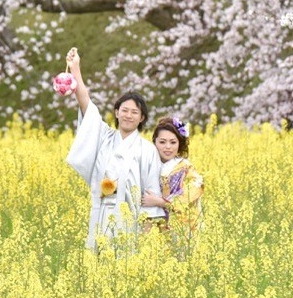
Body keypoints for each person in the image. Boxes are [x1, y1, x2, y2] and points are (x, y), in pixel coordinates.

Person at [63, 47, 164, 251]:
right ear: (116, 113)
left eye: (134, 112)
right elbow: (87, 107)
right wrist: (75, 70)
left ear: (142, 118)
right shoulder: (104, 137)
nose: (128, 115)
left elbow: (151, 192)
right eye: (124, 110)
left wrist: (147, 239)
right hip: (101, 215)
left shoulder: (147, 150)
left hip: (131, 220)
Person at [141, 116, 204, 246]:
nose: (167, 147)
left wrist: (161, 202)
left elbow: (194, 190)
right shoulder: (147, 166)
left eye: (173, 142)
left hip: (183, 229)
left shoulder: (185, 167)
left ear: (179, 144)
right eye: (162, 142)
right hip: (154, 229)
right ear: (155, 142)